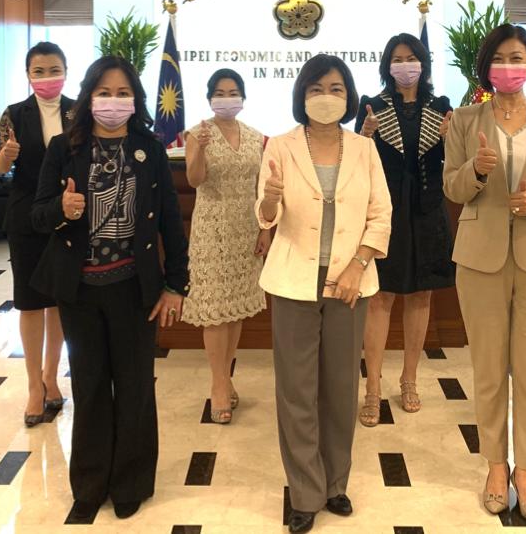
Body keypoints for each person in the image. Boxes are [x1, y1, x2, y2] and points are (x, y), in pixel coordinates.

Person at [30, 56, 189, 523]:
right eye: (104, 93)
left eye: (123, 94)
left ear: (136, 100)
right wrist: (63, 208)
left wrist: (176, 285)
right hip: (79, 291)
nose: (113, 102)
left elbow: (171, 224)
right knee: (91, 385)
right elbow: (36, 216)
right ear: (88, 97)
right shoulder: (64, 147)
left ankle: (131, 482)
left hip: (134, 289)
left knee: (136, 385)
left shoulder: (150, 148)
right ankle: (90, 484)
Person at [443, 24, 526, 525]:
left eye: (517, 56)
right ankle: (495, 467)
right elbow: (453, 189)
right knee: (488, 370)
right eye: (499, 58)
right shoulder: (463, 119)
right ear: (487, 67)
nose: (508, 65)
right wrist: (477, 172)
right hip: (479, 259)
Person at [257, 54, 391, 533]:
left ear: (349, 95)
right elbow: (265, 214)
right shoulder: (280, 145)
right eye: (317, 88)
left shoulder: (364, 149)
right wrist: (270, 199)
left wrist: (359, 264)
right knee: (296, 390)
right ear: (302, 94)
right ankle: (304, 490)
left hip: (350, 283)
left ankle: (336, 484)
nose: (327, 97)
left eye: (336, 88)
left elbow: (381, 213)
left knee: (339, 388)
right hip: (294, 279)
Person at [355, 32, 454, 425]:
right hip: (386, 213)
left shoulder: (441, 107)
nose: (405, 64)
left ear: (423, 63)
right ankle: (373, 387)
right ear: (387, 65)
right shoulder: (371, 107)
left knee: (421, 297)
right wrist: (364, 137)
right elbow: (359, 159)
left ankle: (409, 379)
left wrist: (451, 142)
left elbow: (452, 161)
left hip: (428, 212)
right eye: (397, 58)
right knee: (380, 298)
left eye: (411, 57)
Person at [0, 41, 75, 427]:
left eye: (53, 69)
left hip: (67, 217)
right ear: (28, 75)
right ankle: (32, 387)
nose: (47, 77)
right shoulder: (13, 114)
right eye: (38, 71)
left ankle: (51, 376)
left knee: (58, 300)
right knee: (29, 302)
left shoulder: (79, 111)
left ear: (66, 71)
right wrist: (6, 156)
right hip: (26, 219)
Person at [183, 68, 269, 424]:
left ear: (243, 97)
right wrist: (200, 150)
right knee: (217, 310)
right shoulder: (197, 133)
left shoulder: (256, 137)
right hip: (212, 230)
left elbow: (261, 187)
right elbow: (194, 179)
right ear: (209, 97)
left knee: (235, 311)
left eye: (233, 91)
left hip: (246, 230)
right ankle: (219, 384)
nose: (227, 97)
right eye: (220, 92)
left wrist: (265, 229)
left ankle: (226, 377)